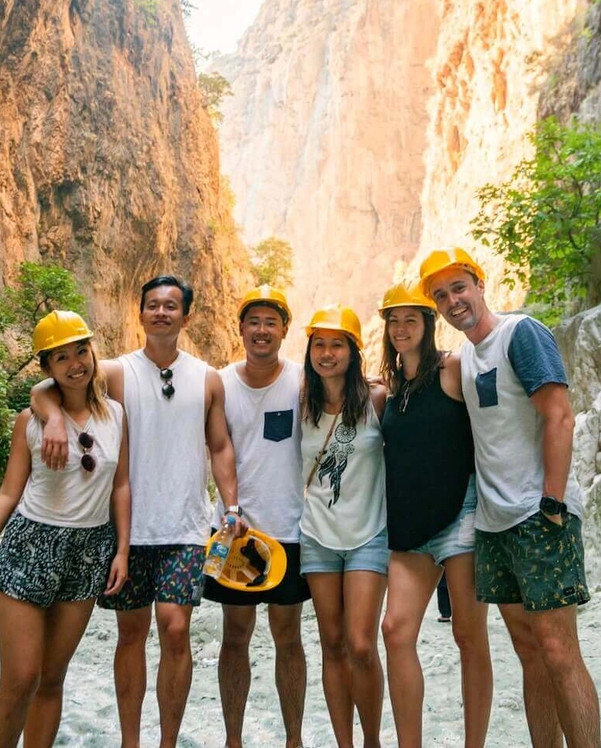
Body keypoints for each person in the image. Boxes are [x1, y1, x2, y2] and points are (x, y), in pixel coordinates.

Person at [35, 274, 243, 748]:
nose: (162, 312)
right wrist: (49, 416)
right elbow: (48, 387)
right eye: (153, 305)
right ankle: (132, 740)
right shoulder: (113, 372)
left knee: (175, 629)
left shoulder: (207, 378)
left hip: (186, 529)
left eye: (172, 306)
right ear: (141, 313)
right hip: (126, 529)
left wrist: (231, 506)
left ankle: (167, 741)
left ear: (186, 316)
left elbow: (221, 446)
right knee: (130, 635)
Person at [422, 246, 601, 748]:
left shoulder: (519, 334)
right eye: (441, 295)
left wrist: (552, 503)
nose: (453, 300)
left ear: (479, 285)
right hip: (495, 522)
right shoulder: (467, 357)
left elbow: (559, 414)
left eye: (459, 287)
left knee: (558, 650)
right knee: (528, 650)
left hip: (539, 514)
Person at [0, 310, 131, 748]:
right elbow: (8, 493)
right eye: (60, 358)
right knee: (21, 678)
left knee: (52, 678)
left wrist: (120, 550)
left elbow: (120, 484)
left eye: (81, 351)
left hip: (89, 550)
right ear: (47, 368)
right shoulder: (31, 421)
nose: (74, 364)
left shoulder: (117, 416)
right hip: (31, 543)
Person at [376, 280, 492, 748]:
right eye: (394, 320)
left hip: (459, 514)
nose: (402, 328)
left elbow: (495, 415)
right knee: (395, 630)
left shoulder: (452, 368)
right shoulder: (390, 387)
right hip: (408, 528)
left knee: (468, 634)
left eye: (411, 319)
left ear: (427, 323)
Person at [207, 285, 309, 748]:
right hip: (235, 530)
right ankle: (233, 739)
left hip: (290, 528)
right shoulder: (220, 383)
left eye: (271, 321)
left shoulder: (303, 380)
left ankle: (293, 739)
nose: (262, 330)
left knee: (288, 635)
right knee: (235, 633)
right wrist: (231, 508)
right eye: (254, 321)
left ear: (284, 329)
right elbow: (219, 448)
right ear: (241, 328)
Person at [298, 306, 389, 748]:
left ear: (353, 352)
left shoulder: (377, 399)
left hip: (369, 533)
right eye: (320, 344)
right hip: (317, 534)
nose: (327, 354)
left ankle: (371, 740)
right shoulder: (301, 403)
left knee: (360, 645)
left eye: (337, 345)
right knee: (331, 643)